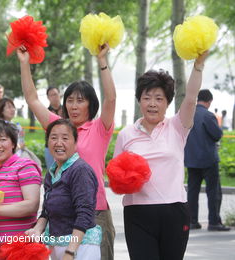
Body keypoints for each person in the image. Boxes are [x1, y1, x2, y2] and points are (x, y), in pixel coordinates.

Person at [17, 43, 116, 260]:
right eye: (70, 100)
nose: (73, 105)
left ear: (91, 105)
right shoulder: (59, 128)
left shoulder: (100, 128)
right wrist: (25, 64)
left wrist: (102, 61)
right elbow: (32, 99)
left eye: (80, 101)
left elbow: (111, 99)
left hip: (94, 214)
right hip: (61, 218)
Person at [113, 52, 209, 260]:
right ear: (139, 101)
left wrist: (198, 65)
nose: (152, 104)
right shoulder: (126, 134)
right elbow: (116, 174)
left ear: (167, 103)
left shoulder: (178, 126)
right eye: (146, 98)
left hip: (174, 211)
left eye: (159, 98)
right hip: (137, 213)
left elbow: (191, 98)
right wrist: (124, 180)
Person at [26, 119, 100, 260]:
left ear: (75, 143)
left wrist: (70, 252)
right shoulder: (52, 172)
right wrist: (36, 230)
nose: (59, 143)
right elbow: (47, 211)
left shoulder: (80, 170)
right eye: (53, 138)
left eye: (65, 138)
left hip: (80, 248)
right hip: (56, 245)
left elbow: (85, 214)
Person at [0, 118, 42, 260]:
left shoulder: (25, 166)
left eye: (2, 139)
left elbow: (32, 205)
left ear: (13, 143)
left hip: (19, 246)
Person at [184, 89, 230, 231]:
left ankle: (192, 221)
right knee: (213, 191)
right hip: (208, 160)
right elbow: (217, 135)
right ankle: (214, 222)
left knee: (192, 191)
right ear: (209, 101)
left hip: (191, 160)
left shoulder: (188, 115)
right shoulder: (208, 116)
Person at [0, 97, 42, 167]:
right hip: (10, 160)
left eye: (13, 107)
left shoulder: (14, 125)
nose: (12, 110)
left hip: (19, 154)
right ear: (1, 110)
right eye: (9, 107)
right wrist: (19, 146)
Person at [44, 86, 64, 170]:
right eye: (51, 95)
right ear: (48, 97)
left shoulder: (67, 110)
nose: (54, 97)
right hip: (51, 146)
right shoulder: (46, 112)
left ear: (59, 95)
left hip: (66, 145)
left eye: (56, 94)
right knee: (52, 171)